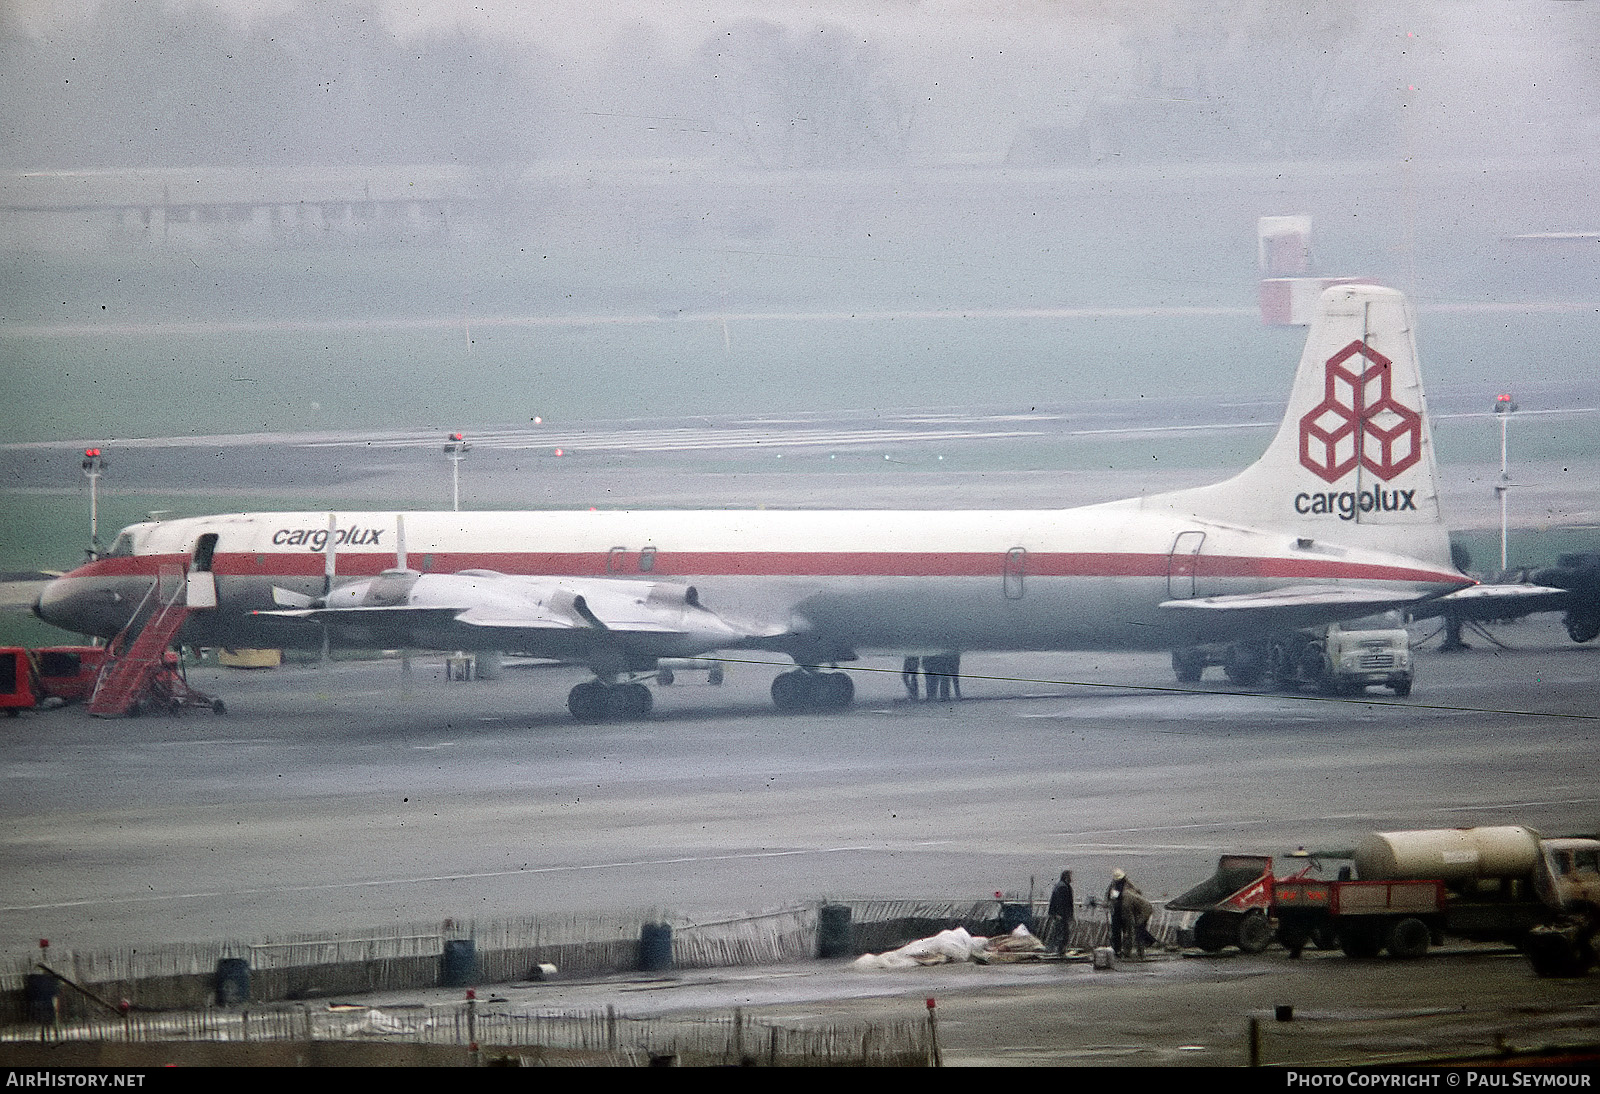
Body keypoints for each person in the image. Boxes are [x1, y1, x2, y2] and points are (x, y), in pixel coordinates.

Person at [1106, 868, 1152, 958]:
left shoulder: (1127, 892)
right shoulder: (1115, 886)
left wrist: (1131, 923)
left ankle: (1138, 952)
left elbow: (1129, 911)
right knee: (1120, 932)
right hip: (1120, 911)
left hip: (1140, 911)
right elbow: (1109, 897)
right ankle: (1120, 950)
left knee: (1136, 930)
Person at [1046, 870, 1075, 954]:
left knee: (1059, 932)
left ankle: (1057, 950)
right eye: (1070, 876)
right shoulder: (1063, 887)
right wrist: (1059, 914)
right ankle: (1058, 951)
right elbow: (1061, 902)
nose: (1071, 879)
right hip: (1061, 915)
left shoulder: (1062, 886)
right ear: (1066, 877)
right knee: (1061, 933)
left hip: (1060, 914)